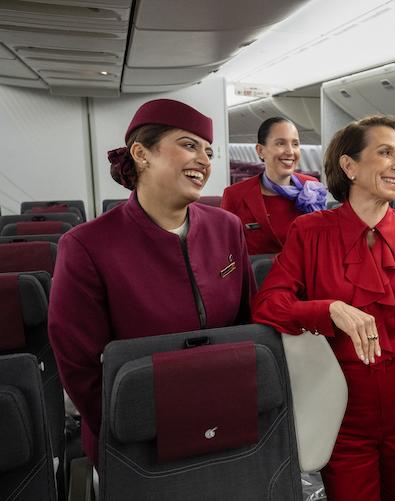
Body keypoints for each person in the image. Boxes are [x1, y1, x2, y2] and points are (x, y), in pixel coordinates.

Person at [252, 115, 395, 501]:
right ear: (349, 166)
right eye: (385, 153)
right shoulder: (311, 233)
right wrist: (327, 309)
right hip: (339, 397)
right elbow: (268, 305)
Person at [48, 99, 256, 464]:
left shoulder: (227, 227)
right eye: (189, 145)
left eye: (209, 151)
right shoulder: (86, 246)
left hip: (226, 420)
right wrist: (132, 430)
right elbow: (81, 369)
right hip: (137, 439)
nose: (205, 161)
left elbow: (249, 324)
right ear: (142, 153)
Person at [221, 117, 327, 255]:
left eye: (295, 144)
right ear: (260, 151)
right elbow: (227, 252)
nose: (290, 151)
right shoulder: (235, 195)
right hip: (260, 276)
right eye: (280, 143)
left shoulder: (311, 187)